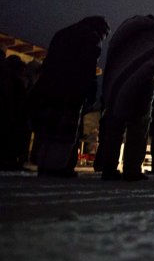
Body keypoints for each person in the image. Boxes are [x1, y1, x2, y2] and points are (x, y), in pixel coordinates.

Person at [30, 16, 110, 177]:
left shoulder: (63, 33)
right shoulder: (91, 38)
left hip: (48, 87)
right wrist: (90, 93)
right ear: (100, 30)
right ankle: (58, 167)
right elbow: (88, 68)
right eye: (104, 35)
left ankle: (43, 166)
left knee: (48, 129)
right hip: (71, 90)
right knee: (65, 131)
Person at [94, 15, 154, 181]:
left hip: (115, 82)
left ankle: (108, 169)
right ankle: (132, 170)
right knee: (139, 124)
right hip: (143, 81)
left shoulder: (125, 32)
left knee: (114, 124)